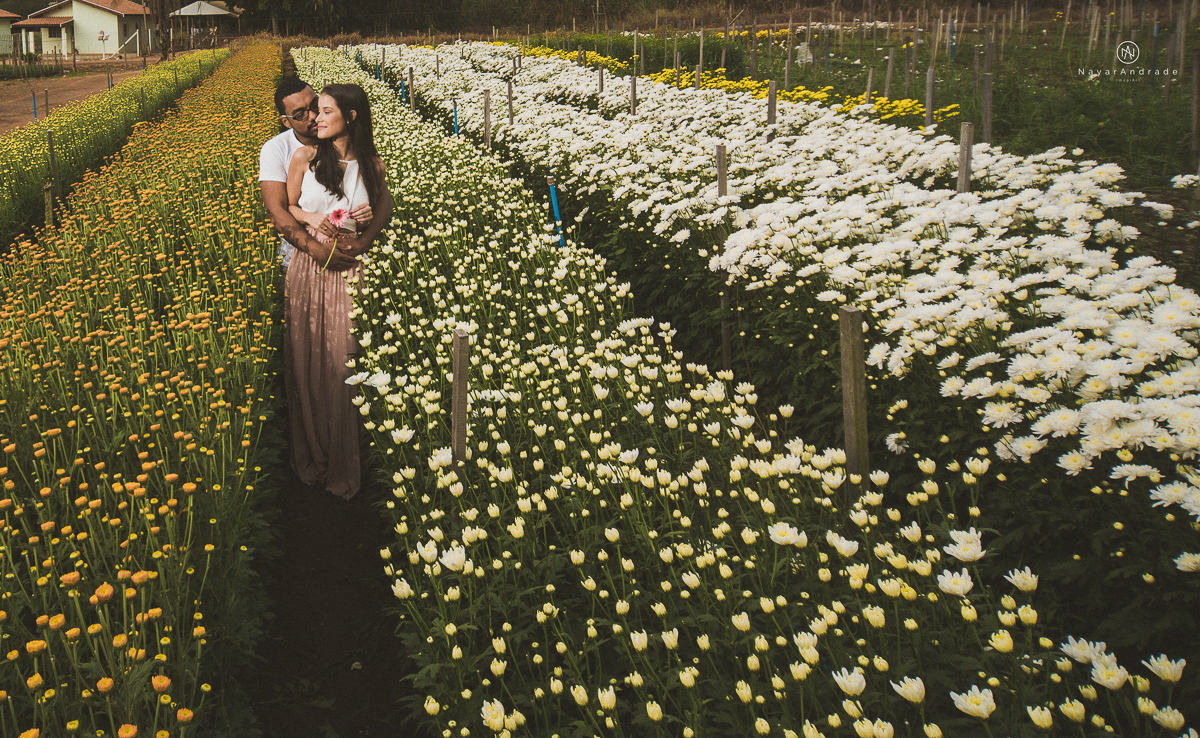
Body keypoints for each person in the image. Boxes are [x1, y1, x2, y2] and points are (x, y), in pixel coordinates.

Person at [284, 83, 393, 500]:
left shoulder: (372, 164)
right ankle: (314, 452)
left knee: (342, 359)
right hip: (310, 264)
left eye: (326, 111)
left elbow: (383, 207)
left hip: (348, 266)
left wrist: (364, 233)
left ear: (351, 116)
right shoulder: (306, 157)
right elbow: (288, 206)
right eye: (317, 111)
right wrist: (311, 218)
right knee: (307, 356)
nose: (317, 118)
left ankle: (344, 460)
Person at [259, 77, 362, 272]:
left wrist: (363, 243)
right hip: (302, 250)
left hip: (349, 248)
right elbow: (276, 210)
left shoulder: (340, 136)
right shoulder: (276, 149)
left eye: (315, 105)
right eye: (300, 115)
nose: (314, 116)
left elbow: (383, 199)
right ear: (286, 122)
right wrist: (317, 250)